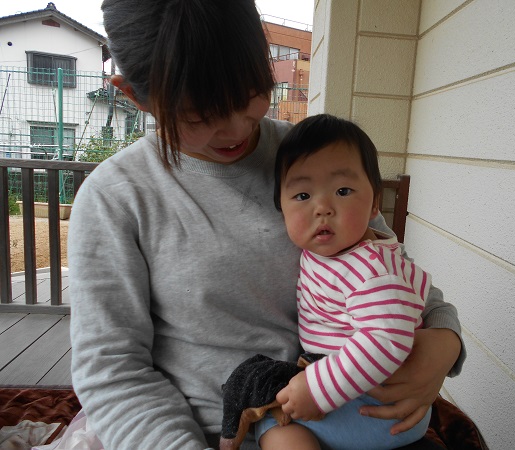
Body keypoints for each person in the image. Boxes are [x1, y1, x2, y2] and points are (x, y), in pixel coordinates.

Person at [67, 1, 465, 449]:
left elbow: (393, 274)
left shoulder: (318, 159)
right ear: (136, 97)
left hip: (351, 413)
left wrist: (444, 338)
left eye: (251, 92)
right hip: (215, 431)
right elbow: (113, 370)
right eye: (199, 116)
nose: (236, 128)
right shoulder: (116, 198)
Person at [253, 114, 433, 450]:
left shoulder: (371, 270)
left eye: (343, 191)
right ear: (281, 207)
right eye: (302, 196)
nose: (323, 207)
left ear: (375, 202)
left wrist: (318, 390)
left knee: (273, 423)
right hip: (361, 388)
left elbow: (386, 339)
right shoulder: (333, 253)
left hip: (379, 403)